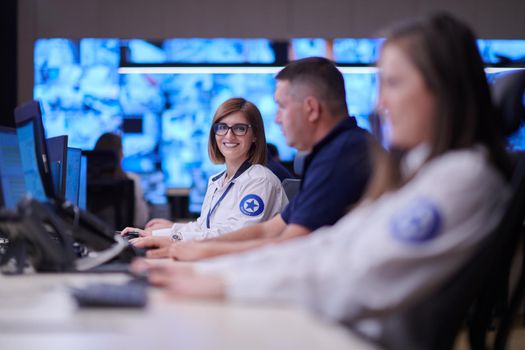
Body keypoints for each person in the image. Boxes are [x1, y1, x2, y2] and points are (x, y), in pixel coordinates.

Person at [139, 13, 512, 343]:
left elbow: (353, 276)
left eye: (394, 83)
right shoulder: (423, 172)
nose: (382, 103)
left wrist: (221, 279)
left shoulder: (459, 180)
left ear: (441, 88)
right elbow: (327, 248)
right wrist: (217, 271)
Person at [131, 57, 372, 259]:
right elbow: (269, 231)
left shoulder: (342, 155)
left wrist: (185, 246)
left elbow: (289, 243)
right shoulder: (333, 153)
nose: (277, 119)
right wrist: (177, 240)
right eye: (221, 128)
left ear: (311, 108)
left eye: (281, 107)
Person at [122, 97, 288, 241]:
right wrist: (154, 235)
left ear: (255, 136)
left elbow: (235, 236)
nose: (229, 136)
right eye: (222, 127)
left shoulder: (260, 180)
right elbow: (204, 229)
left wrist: (170, 238)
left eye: (239, 128)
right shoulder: (217, 180)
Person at [93, 132, 149, 228]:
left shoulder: (83, 181)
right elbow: (141, 220)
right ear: (120, 153)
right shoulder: (131, 179)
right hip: (122, 238)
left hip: (90, 237)